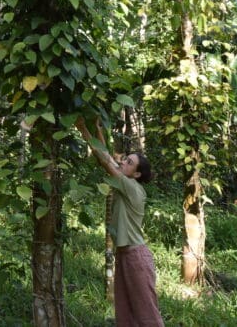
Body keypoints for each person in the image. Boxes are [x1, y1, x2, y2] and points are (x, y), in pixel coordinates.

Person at [75, 116, 164, 327]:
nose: (123, 162)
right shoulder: (125, 181)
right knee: (125, 315)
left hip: (136, 257)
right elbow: (106, 157)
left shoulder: (131, 187)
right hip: (124, 255)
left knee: (147, 315)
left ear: (137, 174)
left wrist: (82, 129)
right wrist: (97, 129)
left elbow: (106, 162)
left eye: (129, 162)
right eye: (125, 159)